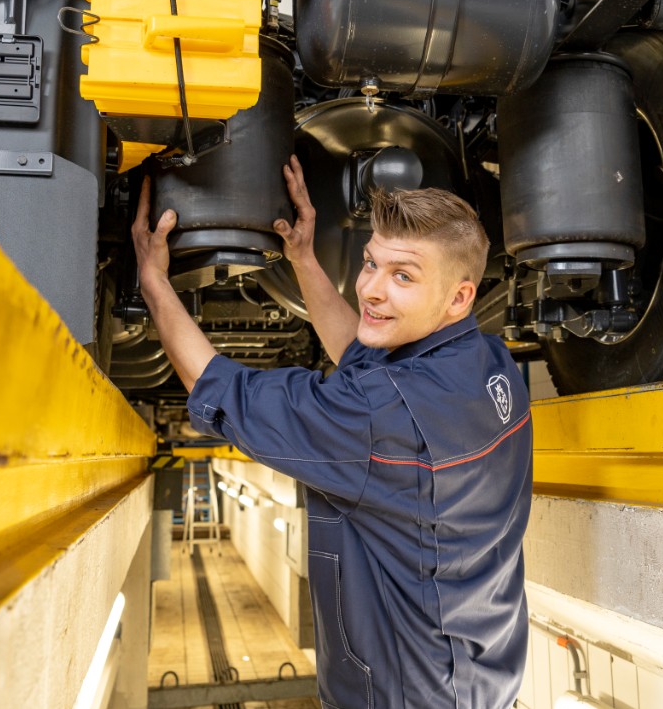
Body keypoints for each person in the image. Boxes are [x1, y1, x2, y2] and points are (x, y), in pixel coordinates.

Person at [131, 155, 532, 709]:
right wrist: (302, 259)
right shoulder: (489, 363)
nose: (370, 289)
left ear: (459, 297)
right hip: (481, 677)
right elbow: (365, 363)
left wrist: (153, 281)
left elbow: (219, 388)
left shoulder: (375, 419)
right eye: (370, 263)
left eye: (403, 276)